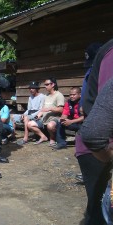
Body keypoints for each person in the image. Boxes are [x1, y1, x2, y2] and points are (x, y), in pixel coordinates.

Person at [77, 39, 113, 225]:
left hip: (96, 143)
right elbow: (97, 129)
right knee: (98, 215)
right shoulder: (110, 55)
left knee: (96, 212)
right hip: (99, 147)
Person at [27, 77, 64, 146]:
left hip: (54, 118)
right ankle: (43, 137)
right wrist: (38, 115)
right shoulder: (46, 95)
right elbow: (43, 108)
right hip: (44, 118)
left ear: (53, 85)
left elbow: (61, 109)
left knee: (50, 126)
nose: (45, 86)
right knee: (29, 124)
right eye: (45, 84)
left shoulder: (59, 95)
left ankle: (52, 138)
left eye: (47, 84)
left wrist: (50, 109)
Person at [16, 81, 45, 145]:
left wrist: (30, 116)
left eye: (33, 88)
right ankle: (12, 135)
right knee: (13, 117)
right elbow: (29, 109)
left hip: (37, 115)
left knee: (26, 118)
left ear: (37, 89)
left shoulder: (42, 97)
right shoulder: (30, 97)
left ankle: (25, 138)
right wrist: (24, 114)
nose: (31, 90)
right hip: (30, 113)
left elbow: (41, 110)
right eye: (30, 88)